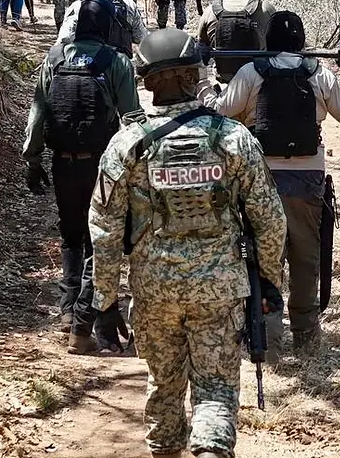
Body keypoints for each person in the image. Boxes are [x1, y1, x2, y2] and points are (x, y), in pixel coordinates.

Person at [89, 28, 287, 458]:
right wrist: (270, 282)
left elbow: (103, 229)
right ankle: (212, 450)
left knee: (163, 384)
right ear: (193, 74)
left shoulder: (127, 144)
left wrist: (103, 302)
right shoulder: (233, 139)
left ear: (147, 81)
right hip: (220, 291)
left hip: (154, 291)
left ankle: (165, 449)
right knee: (215, 389)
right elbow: (270, 221)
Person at [198, 11, 340, 355]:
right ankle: (306, 341)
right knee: (306, 258)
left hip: (260, 179)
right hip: (308, 181)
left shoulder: (250, 72)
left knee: (264, 259)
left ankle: (268, 339)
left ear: (267, 41)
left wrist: (203, 75)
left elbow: (217, 110)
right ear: (302, 42)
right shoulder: (319, 73)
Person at [21, 0, 141, 347]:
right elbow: (133, 119)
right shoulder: (116, 62)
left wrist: (32, 159)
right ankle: (85, 325)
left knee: (71, 235)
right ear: (106, 28)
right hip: (101, 165)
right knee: (100, 239)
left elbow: (38, 114)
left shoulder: (54, 58)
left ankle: (68, 308)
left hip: (62, 162)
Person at [196, 0, 277, 79]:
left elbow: (201, 48)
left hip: (223, 78)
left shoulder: (210, 11)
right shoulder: (265, 8)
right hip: (258, 78)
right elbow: (277, 43)